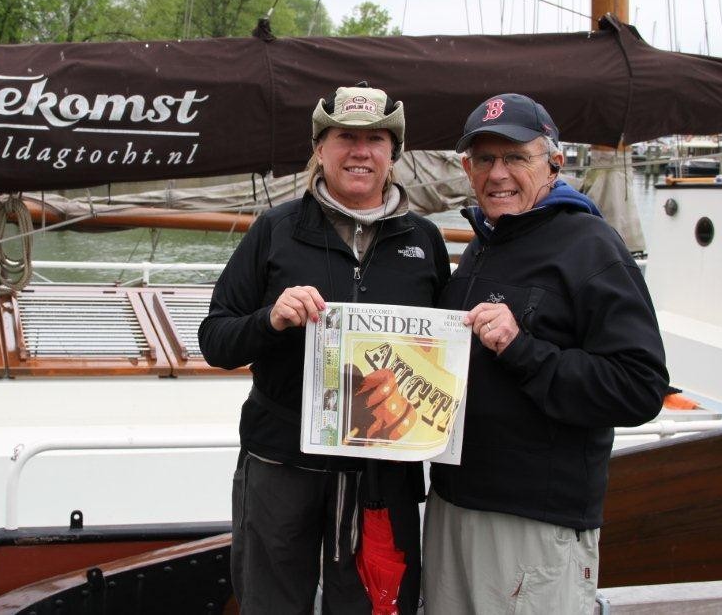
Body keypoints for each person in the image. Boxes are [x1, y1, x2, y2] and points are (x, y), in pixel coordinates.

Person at [199, 84, 451, 614]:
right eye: (345, 138)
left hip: (382, 473)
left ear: (393, 153)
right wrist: (270, 319)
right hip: (281, 460)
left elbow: (445, 357)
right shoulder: (276, 230)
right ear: (319, 148)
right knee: (270, 604)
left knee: (377, 605)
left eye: (375, 139)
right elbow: (215, 339)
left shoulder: (424, 241)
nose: (360, 151)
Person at [423, 93, 669, 614]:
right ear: (467, 169)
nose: (498, 174)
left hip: (533, 522)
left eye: (515, 157)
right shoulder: (483, 244)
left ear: (553, 162)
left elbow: (639, 387)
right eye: (485, 159)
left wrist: (521, 349)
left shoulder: (592, 246)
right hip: (452, 504)